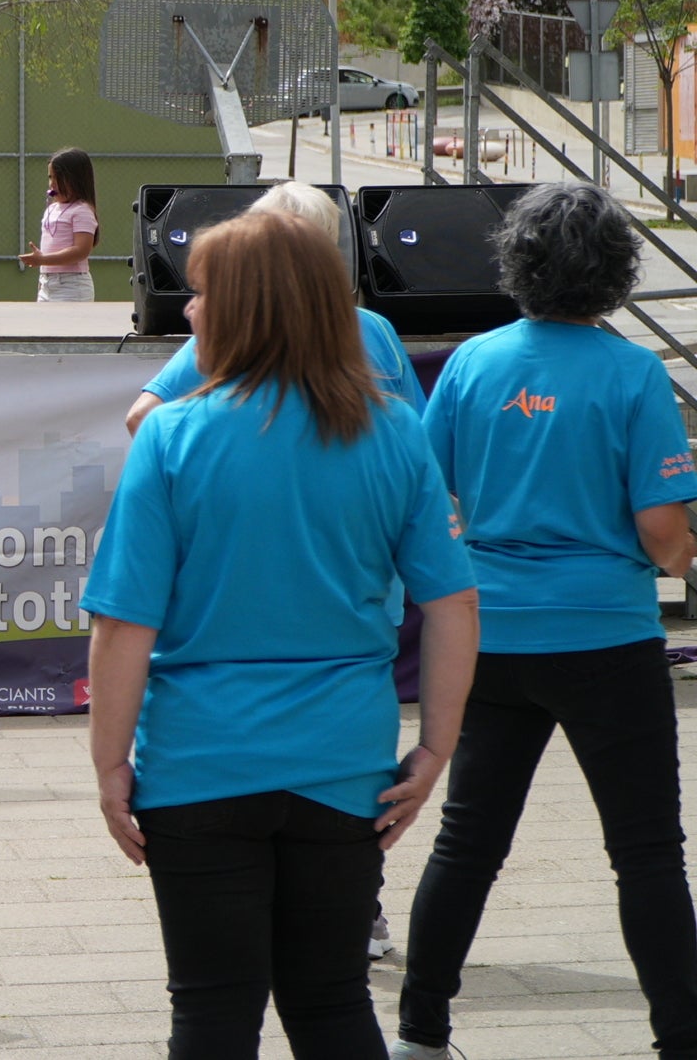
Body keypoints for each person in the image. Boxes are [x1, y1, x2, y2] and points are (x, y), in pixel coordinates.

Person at [81, 212, 479, 1059]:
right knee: (332, 1001)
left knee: (211, 1013)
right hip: (343, 763)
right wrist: (436, 748)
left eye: (200, 295)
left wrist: (110, 764)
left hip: (198, 765)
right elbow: (453, 605)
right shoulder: (392, 432)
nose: (189, 312)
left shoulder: (172, 437)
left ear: (245, 309)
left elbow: (123, 625)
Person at [390, 182, 697, 1060]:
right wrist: (683, 557)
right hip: (606, 637)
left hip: (489, 634)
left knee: (467, 842)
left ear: (516, 262)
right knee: (646, 853)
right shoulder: (633, 373)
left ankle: (421, 1031)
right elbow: (662, 531)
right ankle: (681, 1039)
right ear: (616, 270)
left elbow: (427, 495)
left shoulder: (472, 364)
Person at [125, 181, 424, 438]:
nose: (192, 308)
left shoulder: (231, 327)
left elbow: (142, 416)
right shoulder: (375, 328)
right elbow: (418, 436)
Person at [19, 147, 99, 302]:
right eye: (50, 177)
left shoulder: (82, 210)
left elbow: (81, 251)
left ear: (77, 180)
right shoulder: (51, 209)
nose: (52, 184)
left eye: (59, 178)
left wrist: (42, 259)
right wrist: (42, 278)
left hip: (71, 286)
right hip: (47, 284)